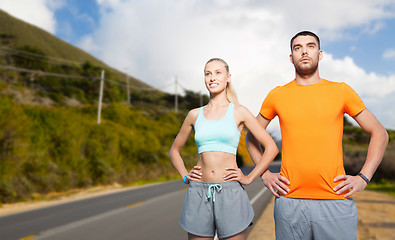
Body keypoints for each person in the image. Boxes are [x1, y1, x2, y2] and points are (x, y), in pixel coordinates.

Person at [246, 31, 389, 240]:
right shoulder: (277, 94)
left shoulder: (341, 91)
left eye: (310, 46)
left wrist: (363, 178)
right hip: (289, 202)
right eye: (297, 48)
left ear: (320, 54)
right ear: (291, 57)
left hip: (335, 201)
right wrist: (265, 174)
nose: (304, 51)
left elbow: (380, 133)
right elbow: (251, 137)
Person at [170, 58, 279, 240]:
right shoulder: (194, 115)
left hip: (231, 192)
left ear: (228, 77)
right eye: (208, 73)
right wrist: (184, 176)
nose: (212, 77)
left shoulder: (239, 112)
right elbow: (174, 151)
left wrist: (249, 177)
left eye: (218, 73)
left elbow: (271, 147)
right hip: (198, 191)